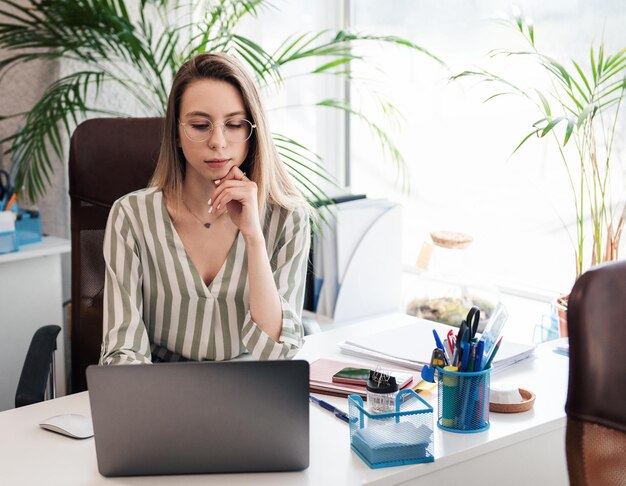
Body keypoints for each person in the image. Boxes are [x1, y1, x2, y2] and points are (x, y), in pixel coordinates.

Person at [100, 53, 311, 365]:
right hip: (161, 390)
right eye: (200, 125)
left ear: (252, 132)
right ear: (176, 133)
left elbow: (277, 352)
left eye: (234, 124)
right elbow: (123, 352)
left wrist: (253, 237)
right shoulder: (130, 216)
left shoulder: (289, 218)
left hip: (251, 389)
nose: (218, 141)